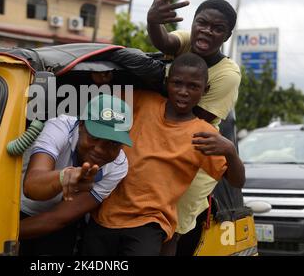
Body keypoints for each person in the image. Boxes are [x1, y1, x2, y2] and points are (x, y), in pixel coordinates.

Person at [81, 53, 245, 256]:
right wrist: (100, 84)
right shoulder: (142, 101)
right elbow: (103, 108)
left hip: (150, 222)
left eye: (193, 86)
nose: (183, 92)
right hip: (104, 214)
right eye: (177, 83)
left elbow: (237, 181)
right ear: (167, 83)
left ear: (205, 90)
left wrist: (230, 151)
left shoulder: (204, 134)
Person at [146, 0, 245, 254]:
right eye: (202, 23)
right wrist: (153, 21)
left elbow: (190, 114)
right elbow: (164, 40)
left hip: (197, 155)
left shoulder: (228, 74)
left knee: (172, 227)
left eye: (218, 29)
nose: (207, 31)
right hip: (162, 142)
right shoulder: (188, 41)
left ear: (226, 36)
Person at [19, 94, 133, 256]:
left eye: (113, 143)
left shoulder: (118, 166)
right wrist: (64, 177)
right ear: (80, 125)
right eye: (94, 137)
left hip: (53, 223)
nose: (100, 149)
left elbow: (57, 218)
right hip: (13, 208)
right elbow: (31, 188)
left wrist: (2, 235)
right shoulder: (59, 128)